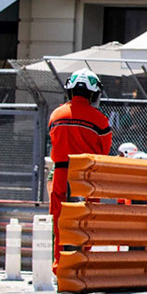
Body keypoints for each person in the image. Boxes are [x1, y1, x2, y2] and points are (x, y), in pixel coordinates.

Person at [46, 71, 112, 220]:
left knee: (59, 218)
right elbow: (105, 151)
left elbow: (53, 140)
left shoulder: (56, 115)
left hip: (61, 173)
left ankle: (58, 244)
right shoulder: (100, 120)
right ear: (94, 94)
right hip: (88, 175)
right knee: (88, 220)